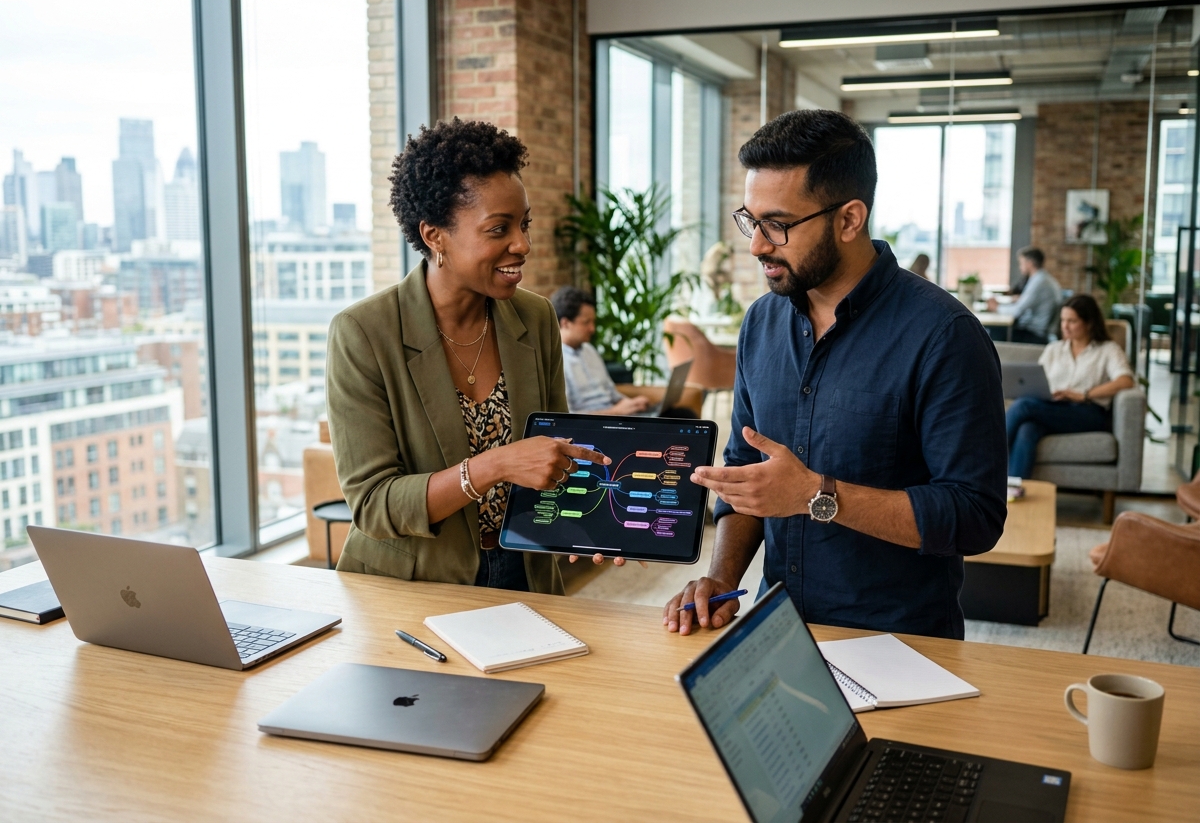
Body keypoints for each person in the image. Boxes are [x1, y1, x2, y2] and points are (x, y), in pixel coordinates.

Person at [663, 109, 1008, 640]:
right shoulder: (761, 322)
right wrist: (720, 579)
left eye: (777, 225)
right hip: (779, 630)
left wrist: (814, 495)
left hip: (902, 642)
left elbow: (975, 515)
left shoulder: (945, 336)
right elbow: (745, 475)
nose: (756, 244)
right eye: (750, 221)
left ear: (849, 219)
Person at [325, 118, 621, 594]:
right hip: (411, 584)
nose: (522, 244)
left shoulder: (536, 317)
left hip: (525, 572)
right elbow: (374, 505)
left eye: (523, 224)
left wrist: (601, 520)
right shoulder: (364, 333)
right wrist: (493, 466)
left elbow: (554, 454)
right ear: (434, 235)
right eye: (498, 228)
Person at [1007, 294, 1135, 479]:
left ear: (1089, 322)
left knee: (1024, 405)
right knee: (1028, 429)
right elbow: (1037, 380)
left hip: (1088, 412)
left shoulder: (1107, 349)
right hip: (1053, 408)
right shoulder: (1054, 349)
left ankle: (984, 454)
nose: (1065, 326)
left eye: (1072, 321)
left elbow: (1125, 380)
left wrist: (1084, 394)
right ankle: (1011, 493)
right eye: (1063, 321)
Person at [551, 286, 652, 415]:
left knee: (677, 414)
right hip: (596, 426)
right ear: (565, 323)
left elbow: (611, 393)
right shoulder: (555, 361)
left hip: (618, 418)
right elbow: (568, 415)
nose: (592, 329)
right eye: (586, 322)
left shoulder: (589, 350)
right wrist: (615, 412)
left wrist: (631, 404)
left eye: (593, 322)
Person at [986, 247, 1061, 343]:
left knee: (991, 330)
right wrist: (1020, 299)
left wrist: (996, 308)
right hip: (1036, 330)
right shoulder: (1042, 278)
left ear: (1029, 263)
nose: (1020, 267)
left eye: (1021, 263)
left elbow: (1017, 311)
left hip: (1035, 334)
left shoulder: (1039, 281)